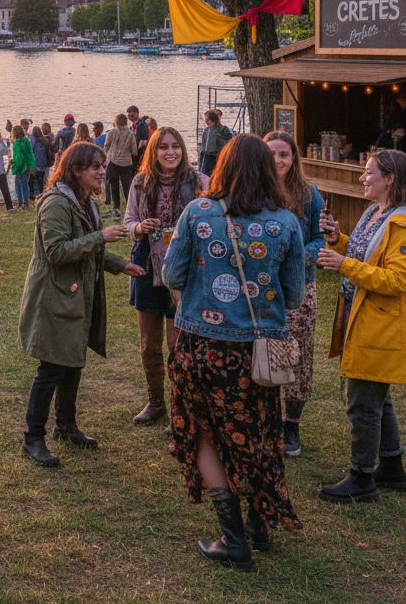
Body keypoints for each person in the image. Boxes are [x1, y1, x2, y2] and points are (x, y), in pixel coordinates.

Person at [163, 134, 305, 571]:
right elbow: (295, 295)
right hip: (259, 349)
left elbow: (172, 273)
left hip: (202, 345)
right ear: (267, 170)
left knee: (203, 430)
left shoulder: (199, 213)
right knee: (258, 430)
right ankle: (259, 522)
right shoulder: (286, 223)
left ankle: (232, 535)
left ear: (222, 166)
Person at [316, 150, 406, 504]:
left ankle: (362, 476)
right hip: (368, 316)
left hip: (385, 322)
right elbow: (368, 255)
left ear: (390, 179)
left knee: (363, 401)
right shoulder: (376, 213)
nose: (362, 178)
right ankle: (392, 468)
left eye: (368, 173)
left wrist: (344, 265)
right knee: (378, 398)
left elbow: (397, 279)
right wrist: (340, 240)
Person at [19, 142, 144, 467]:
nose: (103, 171)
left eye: (103, 166)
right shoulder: (57, 204)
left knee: (73, 360)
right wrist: (100, 237)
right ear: (76, 170)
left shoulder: (84, 200)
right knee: (51, 367)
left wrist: (119, 264)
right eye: (96, 167)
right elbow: (57, 251)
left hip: (75, 294)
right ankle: (33, 438)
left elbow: (87, 248)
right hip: (54, 294)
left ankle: (66, 425)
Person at [124, 127, 209, 426]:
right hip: (147, 265)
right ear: (154, 152)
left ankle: (181, 405)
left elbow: (213, 218)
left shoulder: (199, 182)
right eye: (164, 147)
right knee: (149, 344)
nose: (170, 152)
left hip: (185, 271)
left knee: (179, 344)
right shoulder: (140, 182)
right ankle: (155, 401)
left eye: (175, 146)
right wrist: (139, 228)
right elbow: (128, 221)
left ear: (183, 150)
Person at [264, 132, 326, 456]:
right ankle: (269, 421)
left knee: (297, 355)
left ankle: (292, 426)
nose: (278, 160)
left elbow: (321, 239)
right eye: (271, 154)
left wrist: (297, 255)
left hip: (301, 287)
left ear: (294, 159)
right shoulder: (253, 193)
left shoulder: (310, 195)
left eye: (284, 154)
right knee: (265, 353)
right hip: (262, 289)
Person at [103, 114, 137, 214]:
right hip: (127, 163)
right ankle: (130, 208)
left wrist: (105, 158)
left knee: (114, 185)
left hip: (113, 161)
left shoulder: (112, 132)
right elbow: (134, 151)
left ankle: (116, 207)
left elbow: (106, 146)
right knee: (127, 186)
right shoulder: (130, 133)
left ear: (116, 121)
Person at [199, 109, 235, 176]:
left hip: (218, 156)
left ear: (213, 119)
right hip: (207, 157)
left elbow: (231, 140)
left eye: (207, 119)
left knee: (218, 175)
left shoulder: (223, 129)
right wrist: (201, 159)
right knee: (205, 175)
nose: (205, 121)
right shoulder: (206, 130)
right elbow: (203, 146)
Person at [10, 125, 37, 207]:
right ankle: (25, 203)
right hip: (25, 166)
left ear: (14, 133)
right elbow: (30, 154)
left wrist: (13, 163)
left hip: (20, 166)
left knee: (18, 184)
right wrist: (33, 166)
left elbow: (18, 157)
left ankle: (21, 202)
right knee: (24, 184)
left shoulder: (16, 143)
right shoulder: (26, 141)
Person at [29, 126, 50, 199]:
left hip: (35, 162)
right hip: (43, 162)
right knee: (40, 180)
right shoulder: (45, 140)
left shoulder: (33, 140)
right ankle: (41, 194)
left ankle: (32, 195)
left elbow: (30, 150)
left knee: (31, 179)